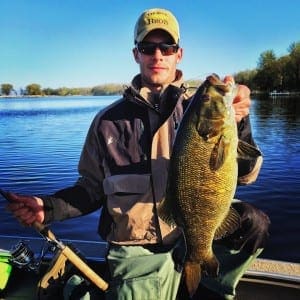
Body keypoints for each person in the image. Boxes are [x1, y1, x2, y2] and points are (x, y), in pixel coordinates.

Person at [6, 8, 270, 300]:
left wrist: (239, 122)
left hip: (189, 231)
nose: (158, 55)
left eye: (166, 47)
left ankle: (207, 285)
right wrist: (48, 207)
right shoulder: (107, 123)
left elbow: (246, 174)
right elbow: (91, 190)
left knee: (252, 222)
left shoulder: (195, 110)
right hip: (137, 251)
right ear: (137, 54)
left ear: (178, 54)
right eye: (148, 47)